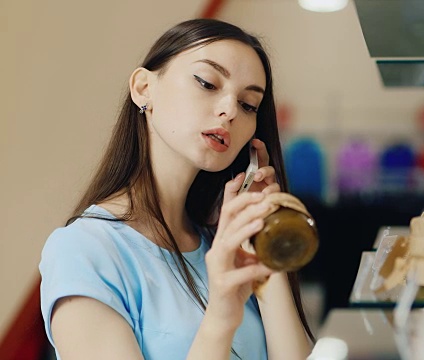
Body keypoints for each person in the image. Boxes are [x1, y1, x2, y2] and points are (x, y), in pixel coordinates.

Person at [39, 18, 314, 359]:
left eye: (248, 105)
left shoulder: (220, 243)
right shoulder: (83, 250)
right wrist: (221, 315)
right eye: (207, 82)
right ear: (143, 88)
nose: (230, 110)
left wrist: (262, 247)